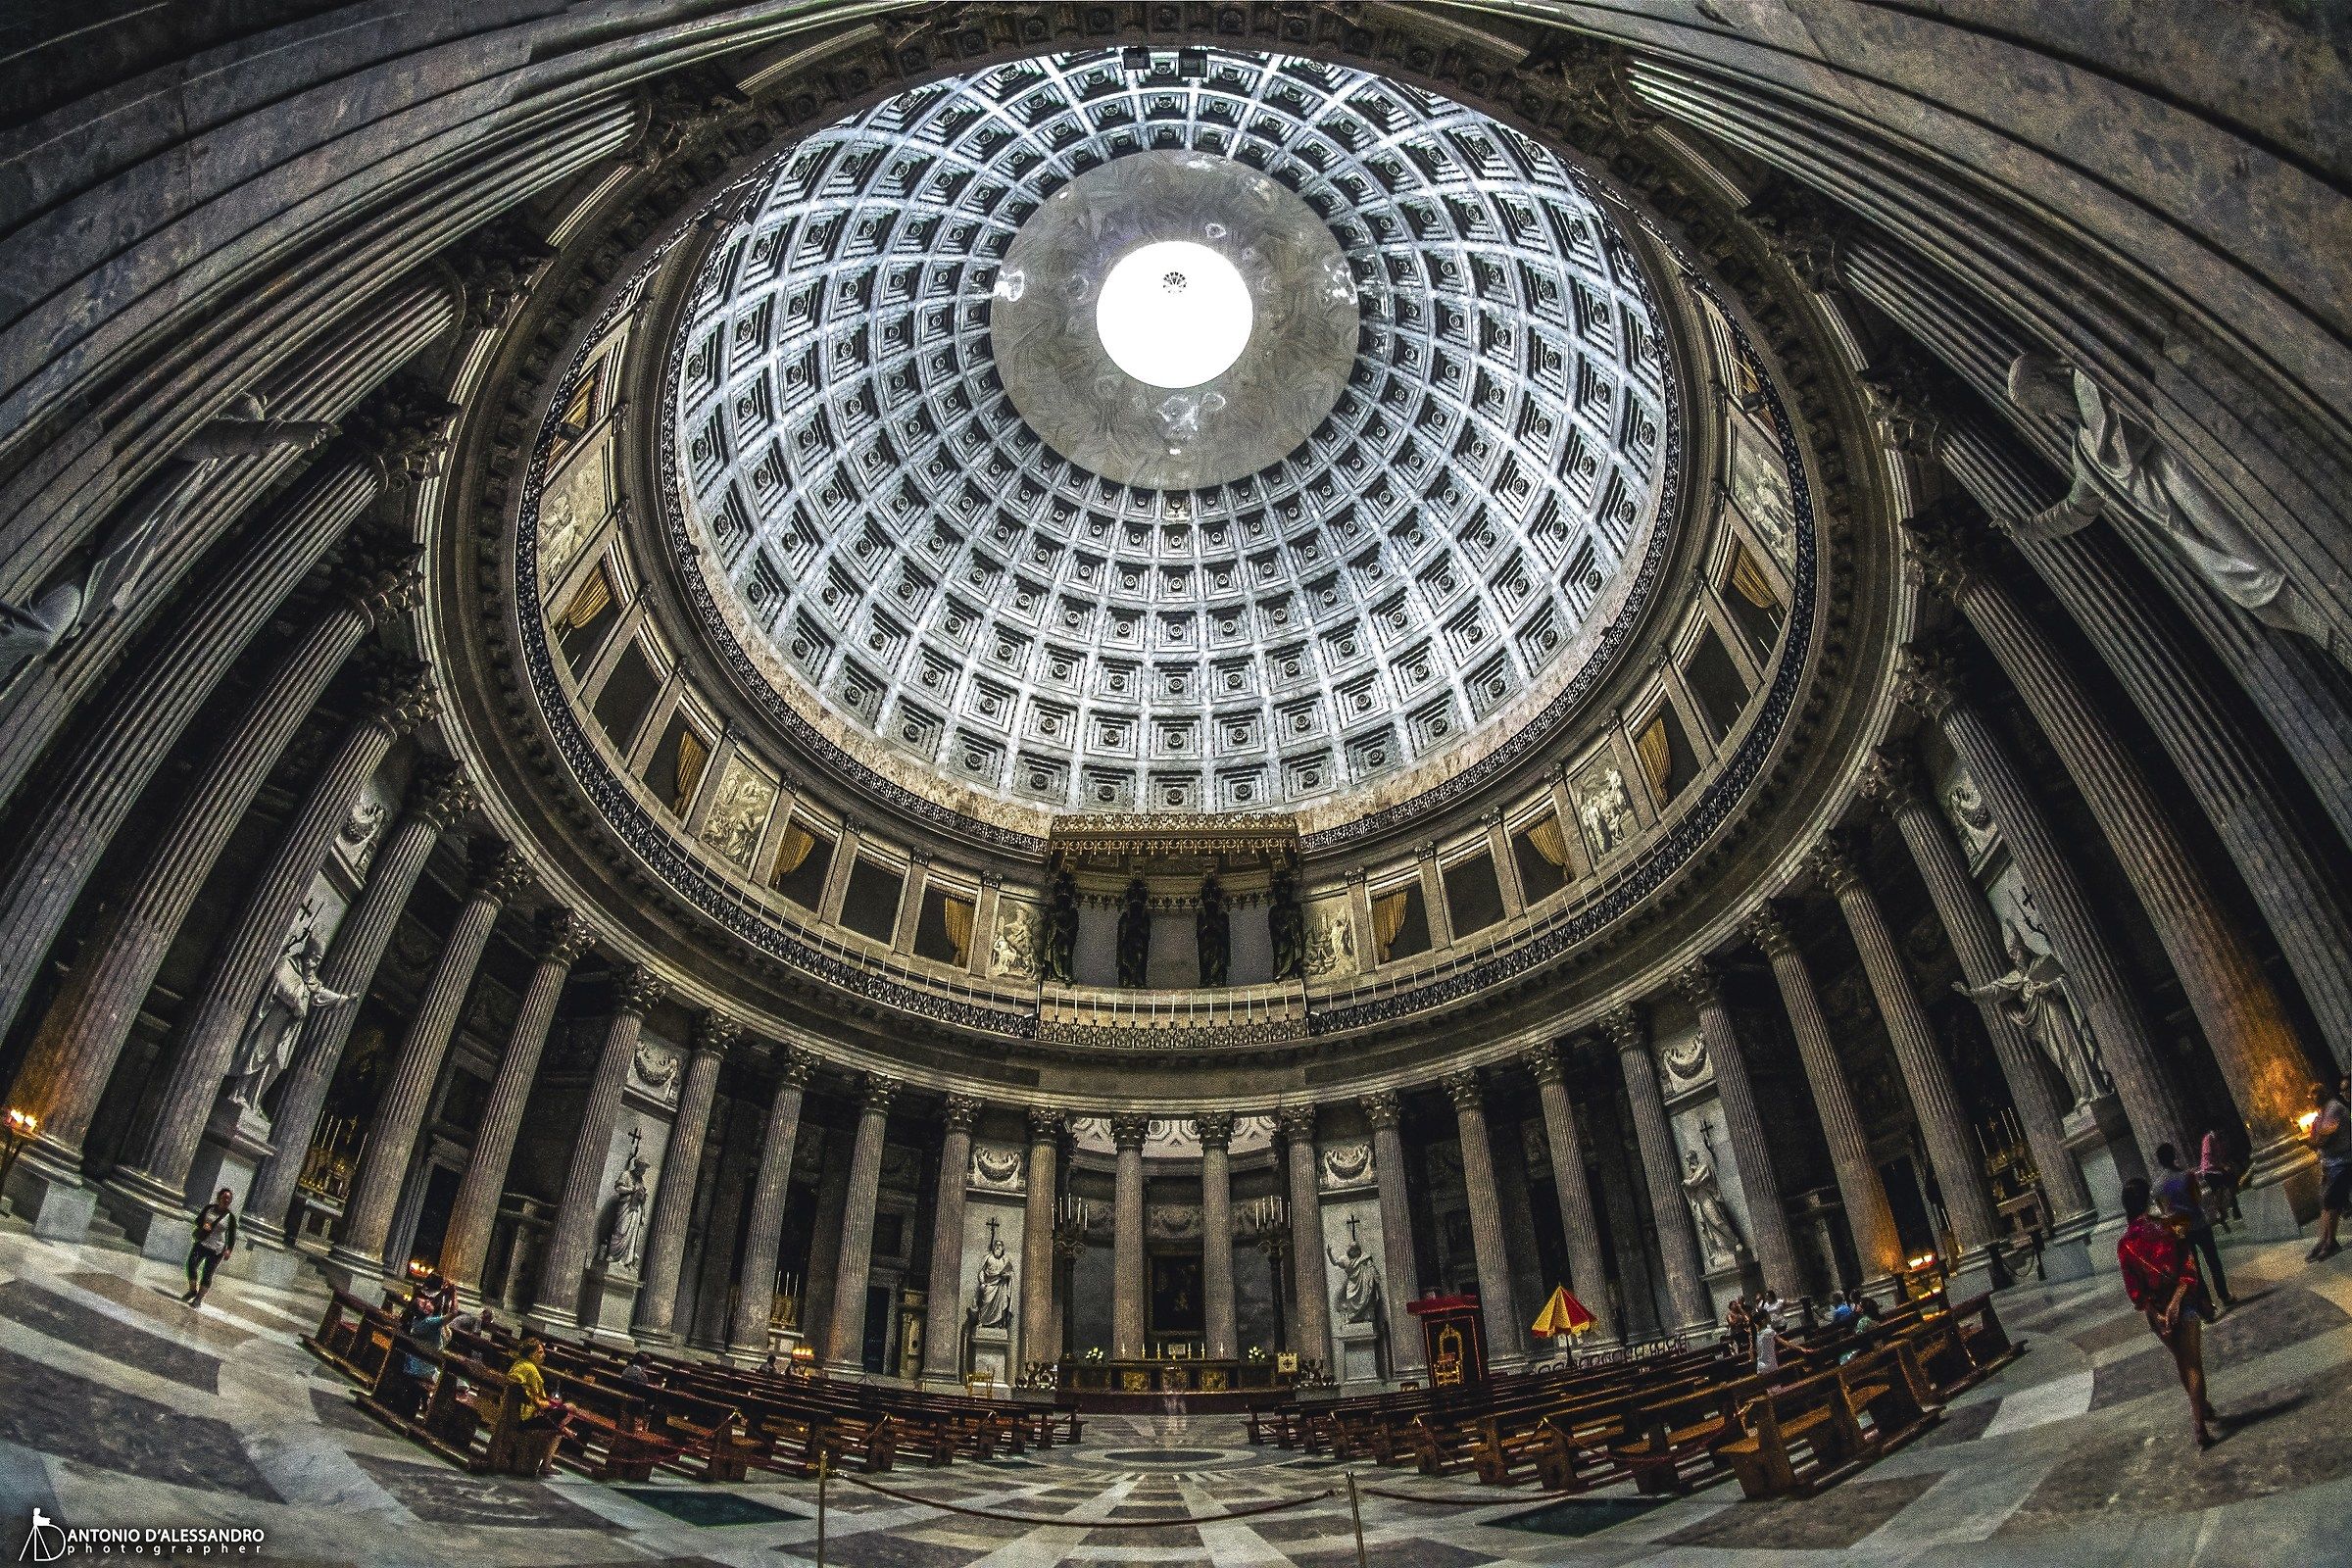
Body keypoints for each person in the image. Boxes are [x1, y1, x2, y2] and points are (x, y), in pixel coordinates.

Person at [2117, 1175, 2222, 1447]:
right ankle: (2199, 1427)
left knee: (2181, 1361)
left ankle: (2203, 1407)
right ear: (2148, 1199)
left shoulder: (2126, 1243)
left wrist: (2157, 1312)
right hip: (2182, 1303)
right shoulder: (2171, 1226)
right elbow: (2188, 1267)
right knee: (2194, 1364)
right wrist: (2176, 1302)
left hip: (2157, 1313)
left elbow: (2134, 1289)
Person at [2153, 1143, 2234, 1311]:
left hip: (2181, 1228)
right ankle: (2224, 1295)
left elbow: (2163, 1210)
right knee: (2213, 1261)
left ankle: (2206, 1305)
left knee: (2194, 1269)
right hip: (2198, 1222)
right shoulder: (2187, 1176)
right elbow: (2197, 1198)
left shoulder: (2157, 1187)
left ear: (2160, 1162)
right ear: (2174, 1155)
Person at [506, 1336, 569, 1472]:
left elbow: (531, 1395)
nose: (543, 1355)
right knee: (569, 1409)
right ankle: (546, 1464)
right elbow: (538, 1402)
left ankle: (561, 1429)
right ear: (530, 1354)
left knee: (559, 1422)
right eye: (539, 1352)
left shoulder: (519, 1364)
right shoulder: (531, 1370)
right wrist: (554, 1405)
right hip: (525, 1419)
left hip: (512, 1413)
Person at [2306, 1080, 2351, 1263]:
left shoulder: (2333, 1108)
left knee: (2332, 1202)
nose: (2312, 1098)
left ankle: (2331, 1241)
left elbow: (2325, 1139)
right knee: (2325, 1202)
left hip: (2343, 1161)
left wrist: (2312, 1141)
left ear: (2322, 1093)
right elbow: (2317, 1136)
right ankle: (2323, 1239)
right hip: (2331, 1163)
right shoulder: (2321, 1112)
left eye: (2314, 1094)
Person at [179, 1188, 238, 1306]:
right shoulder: (209, 1208)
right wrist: (203, 1225)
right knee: (191, 1264)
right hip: (202, 1242)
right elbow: (198, 1220)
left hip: (217, 1249)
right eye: (224, 1197)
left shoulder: (230, 1217)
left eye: (229, 1198)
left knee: (207, 1273)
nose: (226, 1200)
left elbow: (232, 1235)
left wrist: (229, 1249)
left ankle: (198, 1299)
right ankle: (192, 1290)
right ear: (219, 1197)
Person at [2196, 1130, 2239, 1230]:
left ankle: (2228, 1210)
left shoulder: (2219, 1139)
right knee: (2219, 1189)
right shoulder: (2209, 1138)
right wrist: (2222, 1165)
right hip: (2209, 1170)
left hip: (2217, 1169)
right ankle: (2221, 1212)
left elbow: (2222, 1154)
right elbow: (2208, 1156)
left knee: (2226, 1186)